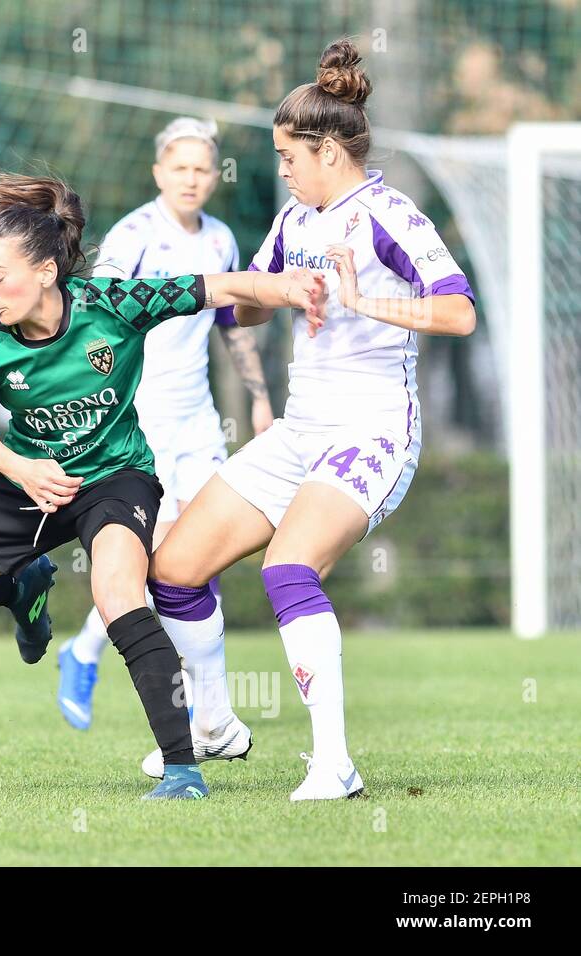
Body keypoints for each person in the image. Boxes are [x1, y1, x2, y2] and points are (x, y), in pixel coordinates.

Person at [0, 171, 325, 800]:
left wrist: (284, 287)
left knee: (118, 592)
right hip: (25, 480)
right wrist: (21, 468)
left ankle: (182, 769)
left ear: (45, 272)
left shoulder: (111, 305)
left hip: (115, 479)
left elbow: (217, 287)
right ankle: (20, 587)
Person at [144, 39, 477, 799]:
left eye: (289, 154)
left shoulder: (390, 214)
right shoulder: (295, 217)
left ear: (328, 150)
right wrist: (282, 291)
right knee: (176, 569)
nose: (282, 168)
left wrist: (363, 300)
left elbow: (458, 313)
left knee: (288, 568)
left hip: (373, 432)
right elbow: (246, 307)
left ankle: (335, 765)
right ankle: (216, 723)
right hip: (299, 432)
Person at [56, 116, 273, 736]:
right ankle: (95, 656)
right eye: (179, 167)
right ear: (158, 173)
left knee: (194, 561)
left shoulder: (223, 240)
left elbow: (231, 324)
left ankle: (203, 713)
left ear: (214, 176)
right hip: (139, 420)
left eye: (202, 168)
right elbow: (93, 314)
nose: (192, 178)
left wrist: (258, 399)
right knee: (164, 560)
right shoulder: (133, 236)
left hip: (199, 420)